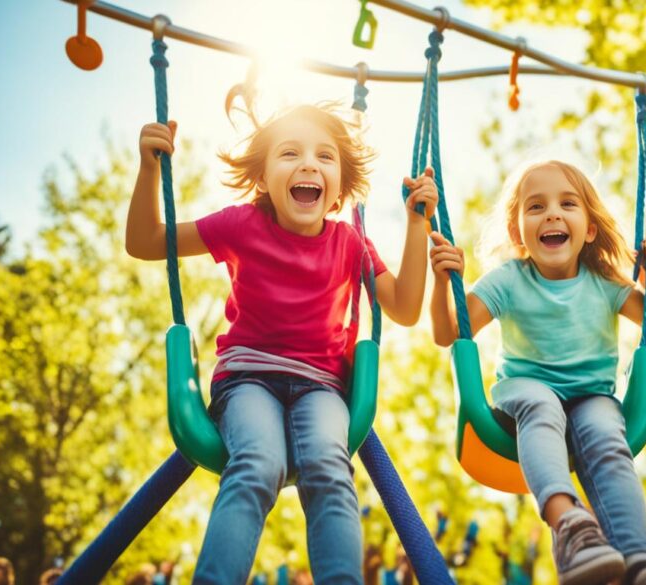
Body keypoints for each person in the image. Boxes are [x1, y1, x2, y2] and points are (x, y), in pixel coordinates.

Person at [126, 101, 439, 584]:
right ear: (265, 178)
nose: (308, 164)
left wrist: (417, 223)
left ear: (338, 190)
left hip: (321, 390)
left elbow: (404, 305)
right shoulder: (241, 225)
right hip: (247, 381)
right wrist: (150, 168)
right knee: (257, 463)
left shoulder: (350, 244)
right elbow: (147, 241)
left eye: (324, 157)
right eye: (289, 153)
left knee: (330, 468)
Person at [430, 160, 646, 585]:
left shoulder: (606, 282)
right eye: (536, 206)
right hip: (526, 393)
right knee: (542, 404)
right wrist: (442, 282)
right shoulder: (508, 279)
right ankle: (569, 524)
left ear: (588, 229)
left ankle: (641, 561)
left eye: (568, 203)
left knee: (606, 436)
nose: (552, 214)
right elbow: (449, 332)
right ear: (517, 234)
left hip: (591, 398)